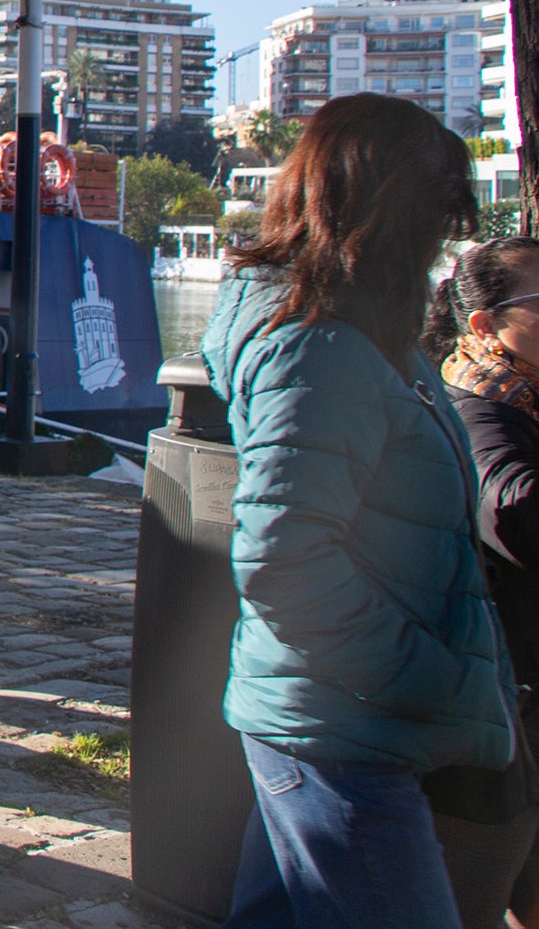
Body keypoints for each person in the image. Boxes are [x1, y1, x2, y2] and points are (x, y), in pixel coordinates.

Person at [204, 93, 513, 928]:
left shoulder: (372, 335)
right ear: (391, 214)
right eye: (439, 221)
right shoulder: (320, 346)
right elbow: (284, 561)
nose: (445, 247)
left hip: (336, 718)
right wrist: (430, 677)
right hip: (343, 729)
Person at [422, 237, 539, 929]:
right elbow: (514, 512)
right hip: (505, 702)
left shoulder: (523, 399)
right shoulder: (477, 407)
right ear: (484, 324)